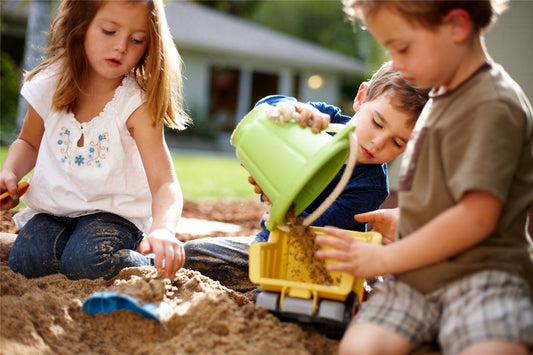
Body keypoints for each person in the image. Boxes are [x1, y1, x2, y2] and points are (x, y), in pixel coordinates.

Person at [315, 1, 533, 354]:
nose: (396, 63)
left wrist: (383, 261)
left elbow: (476, 218)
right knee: (361, 346)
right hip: (415, 277)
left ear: (457, 27)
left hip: (483, 278)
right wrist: (408, 223)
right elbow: (447, 197)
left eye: (402, 48)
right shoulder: (435, 99)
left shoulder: (492, 105)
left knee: (492, 348)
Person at [183, 61, 429, 292]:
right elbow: (265, 109)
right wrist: (292, 109)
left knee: (199, 257)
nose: (378, 143)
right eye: (377, 122)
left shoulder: (370, 186)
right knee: (195, 252)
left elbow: (308, 231)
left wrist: (277, 198)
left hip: (309, 261)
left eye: (397, 143)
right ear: (361, 97)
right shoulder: (324, 121)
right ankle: (148, 261)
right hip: (270, 243)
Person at [0, 0, 190, 280]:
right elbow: (29, 143)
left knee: (87, 260)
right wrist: (10, 172)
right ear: (81, 25)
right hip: (53, 211)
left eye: (137, 40)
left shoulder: (136, 102)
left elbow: (164, 182)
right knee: (28, 259)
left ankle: (144, 260)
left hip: (112, 216)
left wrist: (162, 229)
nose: (121, 46)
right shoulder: (48, 84)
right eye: (109, 31)